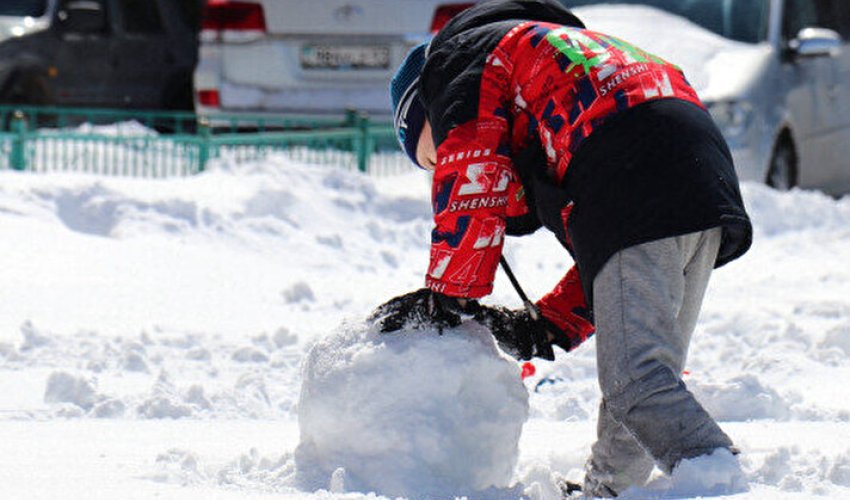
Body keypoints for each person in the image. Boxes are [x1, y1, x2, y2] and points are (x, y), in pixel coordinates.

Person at [370, 0, 752, 496]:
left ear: (426, 109)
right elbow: (611, 261)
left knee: (636, 380)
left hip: (634, 174)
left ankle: (723, 482)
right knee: (642, 376)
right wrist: (549, 325)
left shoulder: (459, 66)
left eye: (432, 155)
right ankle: (610, 489)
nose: (440, 166)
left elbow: (473, 176)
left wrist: (449, 294)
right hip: (698, 173)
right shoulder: (555, 71)